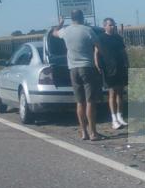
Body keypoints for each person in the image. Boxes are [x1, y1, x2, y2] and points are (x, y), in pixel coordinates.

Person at [52, 9, 104, 141]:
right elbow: (99, 46)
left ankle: (84, 132)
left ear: (71, 18)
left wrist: (60, 23)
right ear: (82, 17)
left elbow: (54, 33)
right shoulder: (87, 30)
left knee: (80, 102)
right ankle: (93, 132)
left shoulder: (66, 31)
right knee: (90, 101)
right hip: (87, 67)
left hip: (73, 69)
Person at [98, 17, 129, 130]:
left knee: (120, 93)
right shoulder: (101, 38)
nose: (112, 27)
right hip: (108, 69)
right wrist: (98, 66)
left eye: (113, 25)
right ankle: (113, 118)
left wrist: (127, 63)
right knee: (112, 93)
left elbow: (123, 51)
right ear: (105, 26)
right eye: (110, 25)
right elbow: (96, 53)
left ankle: (120, 116)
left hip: (120, 67)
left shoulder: (118, 38)